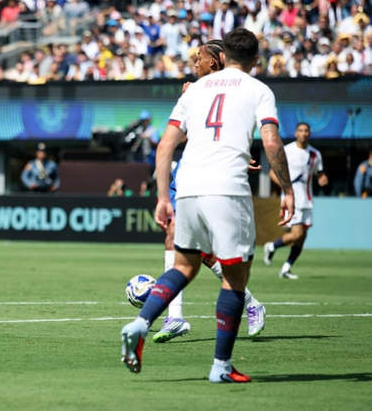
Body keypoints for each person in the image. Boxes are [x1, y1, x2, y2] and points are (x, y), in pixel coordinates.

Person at [119, 28, 294, 383]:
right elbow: (272, 142)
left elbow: (164, 146)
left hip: (187, 186)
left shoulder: (194, 91)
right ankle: (221, 366)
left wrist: (163, 197)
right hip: (226, 189)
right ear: (255, 60)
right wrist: (287, 189)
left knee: (184, 265)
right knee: (234, 277)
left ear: (222, 56)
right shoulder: (258, 89)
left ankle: (141, 322)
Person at [153, 40, 267, 343]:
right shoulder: (195, 91)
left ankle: (249, 303)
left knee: (206, 252)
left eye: (198, 58)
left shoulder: (234, 90)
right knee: (179, 241)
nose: (194, 63)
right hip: (189, 172)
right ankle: (175, 317)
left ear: (214, 61)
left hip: (212, 177)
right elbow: (185, 136)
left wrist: (237, 154)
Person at [264, 122, 328, 279]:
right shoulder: (287, 150)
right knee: (297, 234)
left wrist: (322, 178)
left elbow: (319, 173)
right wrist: (286, 187)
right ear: (295, 133)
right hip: (292, 199)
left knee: (302, 237)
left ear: (309, 133)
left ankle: (286, 268)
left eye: (306, 131)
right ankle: (271, 246)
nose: (303, 133)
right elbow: (272, 173)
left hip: (307, 199)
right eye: (300, 130)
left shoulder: (315, 154)